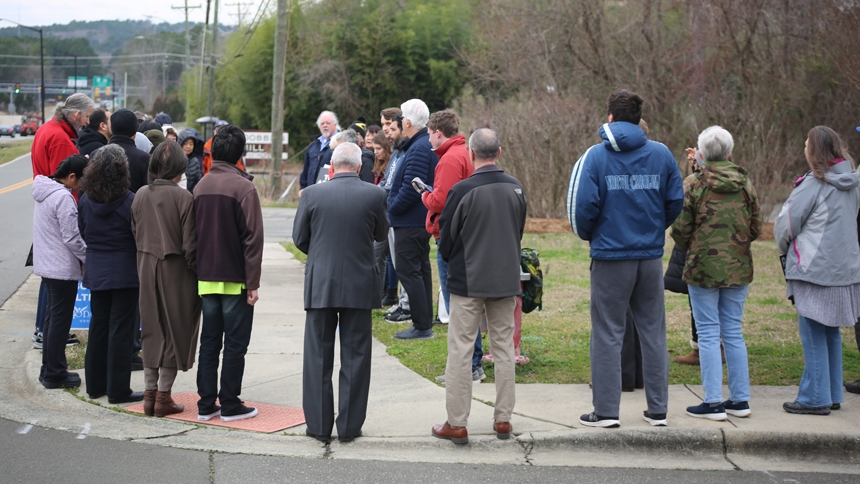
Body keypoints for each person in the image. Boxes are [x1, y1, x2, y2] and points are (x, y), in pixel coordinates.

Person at [566, 90, 683, 428]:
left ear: (611, 118)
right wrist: (654, 228)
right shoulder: (661, 154)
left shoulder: (596, 157)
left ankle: (605, 411)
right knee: (653, 331)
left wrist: (596, 235)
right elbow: (675, 200)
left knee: (607, 332)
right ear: (637, 118)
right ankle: (658, 410)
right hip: (649, 258)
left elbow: (580, 209)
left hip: (610, 257)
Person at [432, 128, 527, 445]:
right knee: (503, 350)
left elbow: (446, 242)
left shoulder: (462, 191)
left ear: (471, 154)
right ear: (499, 152)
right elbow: (518, 231)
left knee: (460, 350)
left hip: (468, 280)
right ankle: (503, 419)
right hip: (504, 279)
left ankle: (457, 422)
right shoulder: (516, 188)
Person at [293, 143, 389, 443]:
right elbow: (380, 234)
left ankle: (319, 426)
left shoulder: (311, 194)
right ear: (359, 168)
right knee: (357, 356)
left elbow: (299, 238)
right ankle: (349, 427)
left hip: (321, 281)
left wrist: (321, 255)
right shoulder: (375, 194)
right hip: (359, 283)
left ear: (331, 167)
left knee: (317, 356)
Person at [671, 126, 761, 420]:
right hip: (737, 266)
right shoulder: (746, 183)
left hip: (702, 269)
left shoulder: (694, 185)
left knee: (709, 332)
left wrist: (697, 244)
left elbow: (680, 230)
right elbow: (756, 228)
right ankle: (740, 399)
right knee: (733, 332)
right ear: (730, 153)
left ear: (700, 154)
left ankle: (712, 401)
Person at [775, 126, 860, 416]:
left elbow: (786, 224)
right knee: (830, 331)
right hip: (844, 269)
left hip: (813, 268)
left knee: (812, 332)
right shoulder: (854, 182)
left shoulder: (813, 184)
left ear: (815, 151)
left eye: (806, 144)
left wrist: (786, 250)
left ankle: (814, 397)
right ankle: (832, 393)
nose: (803, 149)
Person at [194, 124, 264, 422]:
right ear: (240, 154)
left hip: (205, 278)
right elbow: (253, 239)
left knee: (209, 342)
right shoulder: (244, 188)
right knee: (235, 343)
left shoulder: (199, 186)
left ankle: (206, 403)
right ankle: (231, 403)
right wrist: (253, 283)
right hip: (235, 279)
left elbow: (190, 235)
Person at [132, 140, 202, 418]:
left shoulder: (139, 195)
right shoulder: (185, 198)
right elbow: (191, 246)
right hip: (177, 270)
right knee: (175, 328)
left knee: (151, 328)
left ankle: (149, 395)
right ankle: (163, 396)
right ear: (180, 169)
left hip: (146, 265)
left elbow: (134, 231)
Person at [421, 109, 483, 382]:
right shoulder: (465, 153)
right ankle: (473, 363)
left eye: (428, 133)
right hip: (468, 234)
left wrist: (424, 195)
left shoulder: (448, 160)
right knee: (466, 304)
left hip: (449, 236)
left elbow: (441, 201)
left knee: (457, 305)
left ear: (437, 132)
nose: (428, 139)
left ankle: (468, 367)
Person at [77, 144, 143, 404]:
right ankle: (118, 389)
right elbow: (139, 235)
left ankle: (95, 385)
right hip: (126, 271)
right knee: (121, 331)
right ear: (122, 171)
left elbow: (83, 231)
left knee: (98, 326)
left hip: (97, 269)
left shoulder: (85, 200)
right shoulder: (131, 200)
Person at [30, 93, 93, 350]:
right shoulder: (60, 139)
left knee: (49, 283)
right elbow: (69, 182)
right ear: (76, 114)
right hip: (59, 218)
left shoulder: (47, 129)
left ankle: (42, 332)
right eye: (87, 116)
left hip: (46, 209)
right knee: (58, 300)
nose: (88, 122)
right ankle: (49, 344)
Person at [32, 154, 88, 389]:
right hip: (61, 268)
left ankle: (48, 369)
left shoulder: (44, 192)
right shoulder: (63, 198)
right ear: (72, 177)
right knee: (59, 323)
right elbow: (72, 238)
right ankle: (56, 372)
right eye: (82, 180)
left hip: (47, 265)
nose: (83, 185)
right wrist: (89, 258)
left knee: (51, 319)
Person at [388, 99, 438, 340]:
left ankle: (421, 325)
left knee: (409, 270)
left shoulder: (418, 147)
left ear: (407, 122)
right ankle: (424, 321)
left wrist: (392, 209)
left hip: (410, 220)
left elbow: (412, 188)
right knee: (419, 270)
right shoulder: (420, 144)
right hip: (417, 219)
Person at [107, 109, 150, 193]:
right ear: (135, 131)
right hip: (134, 205)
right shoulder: (143, 158)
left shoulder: (96, 154)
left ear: (112, 128)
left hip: (100, 205)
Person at [300, 111, 339, 194]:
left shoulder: (341, 142)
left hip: (332, 192)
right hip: (312, 192)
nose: (325, 125)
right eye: (322, 123)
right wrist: (303, 187)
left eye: (328, 123)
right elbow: (306, 169)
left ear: (335, 124)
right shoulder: (313, 146)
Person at [178, 128, 204, 194]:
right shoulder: (174, 161)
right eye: (185, 144)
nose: (188, 147)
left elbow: (198, 180)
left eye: (191, 144)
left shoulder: (195, 161)